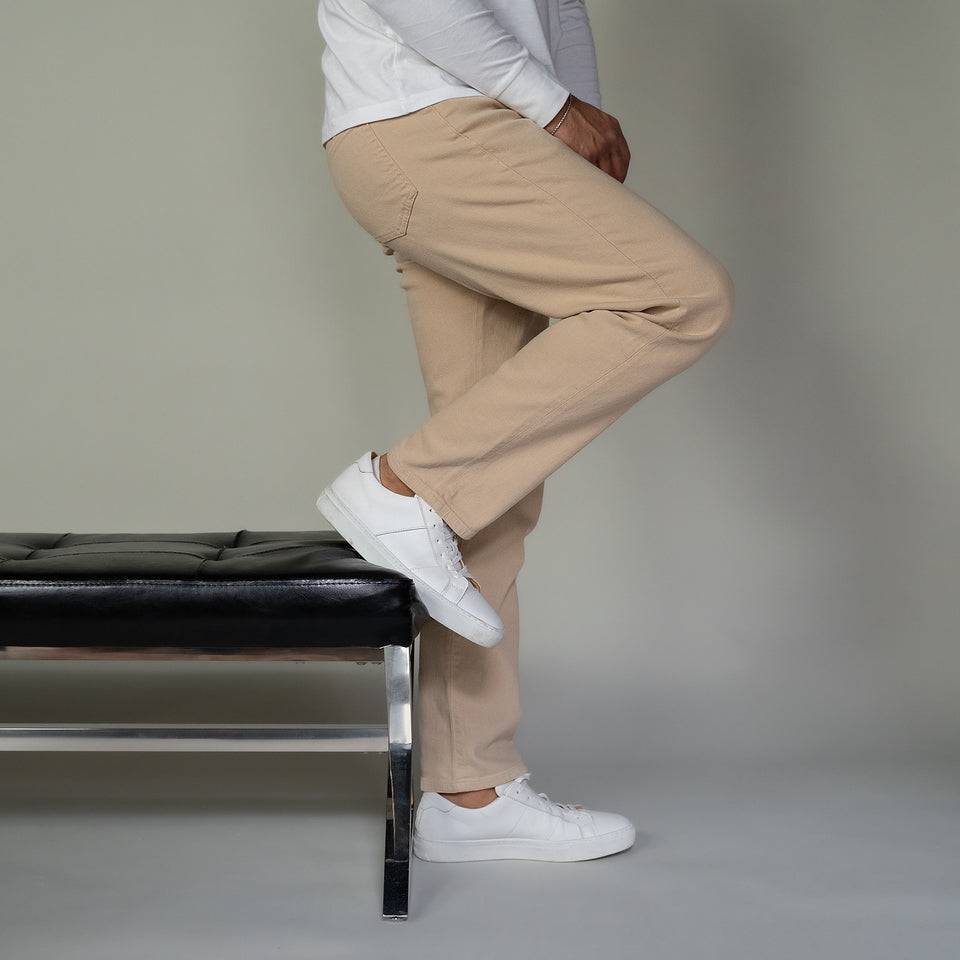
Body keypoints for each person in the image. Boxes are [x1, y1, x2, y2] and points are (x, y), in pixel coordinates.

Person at [315, 0, 733, 863]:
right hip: (432, 116)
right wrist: (554, 107)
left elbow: (556, 7)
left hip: (461, 124)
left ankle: (469, 792)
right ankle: (400, 485)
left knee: (490, 490)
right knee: (680, 297)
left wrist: (573, 123)